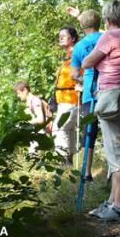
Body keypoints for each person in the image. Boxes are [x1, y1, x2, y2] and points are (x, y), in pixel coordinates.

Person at [83, 0, 120, 221]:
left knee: (118, 157)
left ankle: (118, 206)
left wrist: (91, 62)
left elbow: (89, 62)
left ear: (107, 19)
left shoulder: (110, 36)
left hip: (112, 99)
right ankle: (111, 201)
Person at [68, 8, 102, 181]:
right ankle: (116, 170)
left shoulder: (79, 47)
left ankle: (86, 172)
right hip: (110, 88)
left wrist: (84, 80)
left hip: (90, 93)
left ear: (82, 25)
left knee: (89, 132)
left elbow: (73, 74)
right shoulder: (106, 37)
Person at [53, 26, 80, 164]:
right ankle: (68, 162)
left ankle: (63, 162)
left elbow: (80, 73)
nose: (61, 37)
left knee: (58, 128)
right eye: (60, 35)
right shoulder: (67, 58)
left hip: (71, 98)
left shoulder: (76, 53)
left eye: (64, 35)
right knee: (67, 130)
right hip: (64, 100)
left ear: (73, 38)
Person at [14, 80, 50, 155]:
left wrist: (25, 123)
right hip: (35, 136)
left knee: (35, 158)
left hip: (39, 135)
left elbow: (41, 119)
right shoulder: (30, 101)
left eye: (18, 93)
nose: (18, 96)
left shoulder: (35, 101)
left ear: (25, 90)